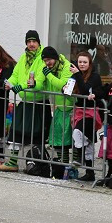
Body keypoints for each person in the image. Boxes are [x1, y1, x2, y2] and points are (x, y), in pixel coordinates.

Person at [0, 30, 44, 172]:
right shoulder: (23, 57)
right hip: (25, 101)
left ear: (38, 42)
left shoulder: (42, 58)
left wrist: (19, 88)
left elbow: (38, 81)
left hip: (38, 102)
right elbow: (15, 75)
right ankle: (13, 163)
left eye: (34, 41)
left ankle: (36, 164)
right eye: (29, 41)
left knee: (37, 135)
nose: (31, 44)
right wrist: (9, 83)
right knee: (16, 131)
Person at [35, 46, 74, 178]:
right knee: (59, 142)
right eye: (45, 60)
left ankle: (72, 169)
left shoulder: (66, 66)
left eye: (49, 60)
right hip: (58, 108)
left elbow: (63, 85)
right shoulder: (48, 69)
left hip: (70, 109)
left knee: (70, 142)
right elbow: (40, 82)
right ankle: (63, 168)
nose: (47, 63)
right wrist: (32, 84)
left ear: (55, 58)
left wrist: (48, 75)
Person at [69, 50, 104, 180]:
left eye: (85, 62)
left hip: (91, 113)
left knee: (78, 132)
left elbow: (84, 90)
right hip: (79, 111)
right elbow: (69, 89)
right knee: (88, 142)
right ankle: (90, 173)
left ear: (90, 63)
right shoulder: (75, 75)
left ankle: (80, 158)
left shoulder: (94, 76)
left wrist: (77, 74)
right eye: (80, 62)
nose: (82, 64)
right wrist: (65, 88)